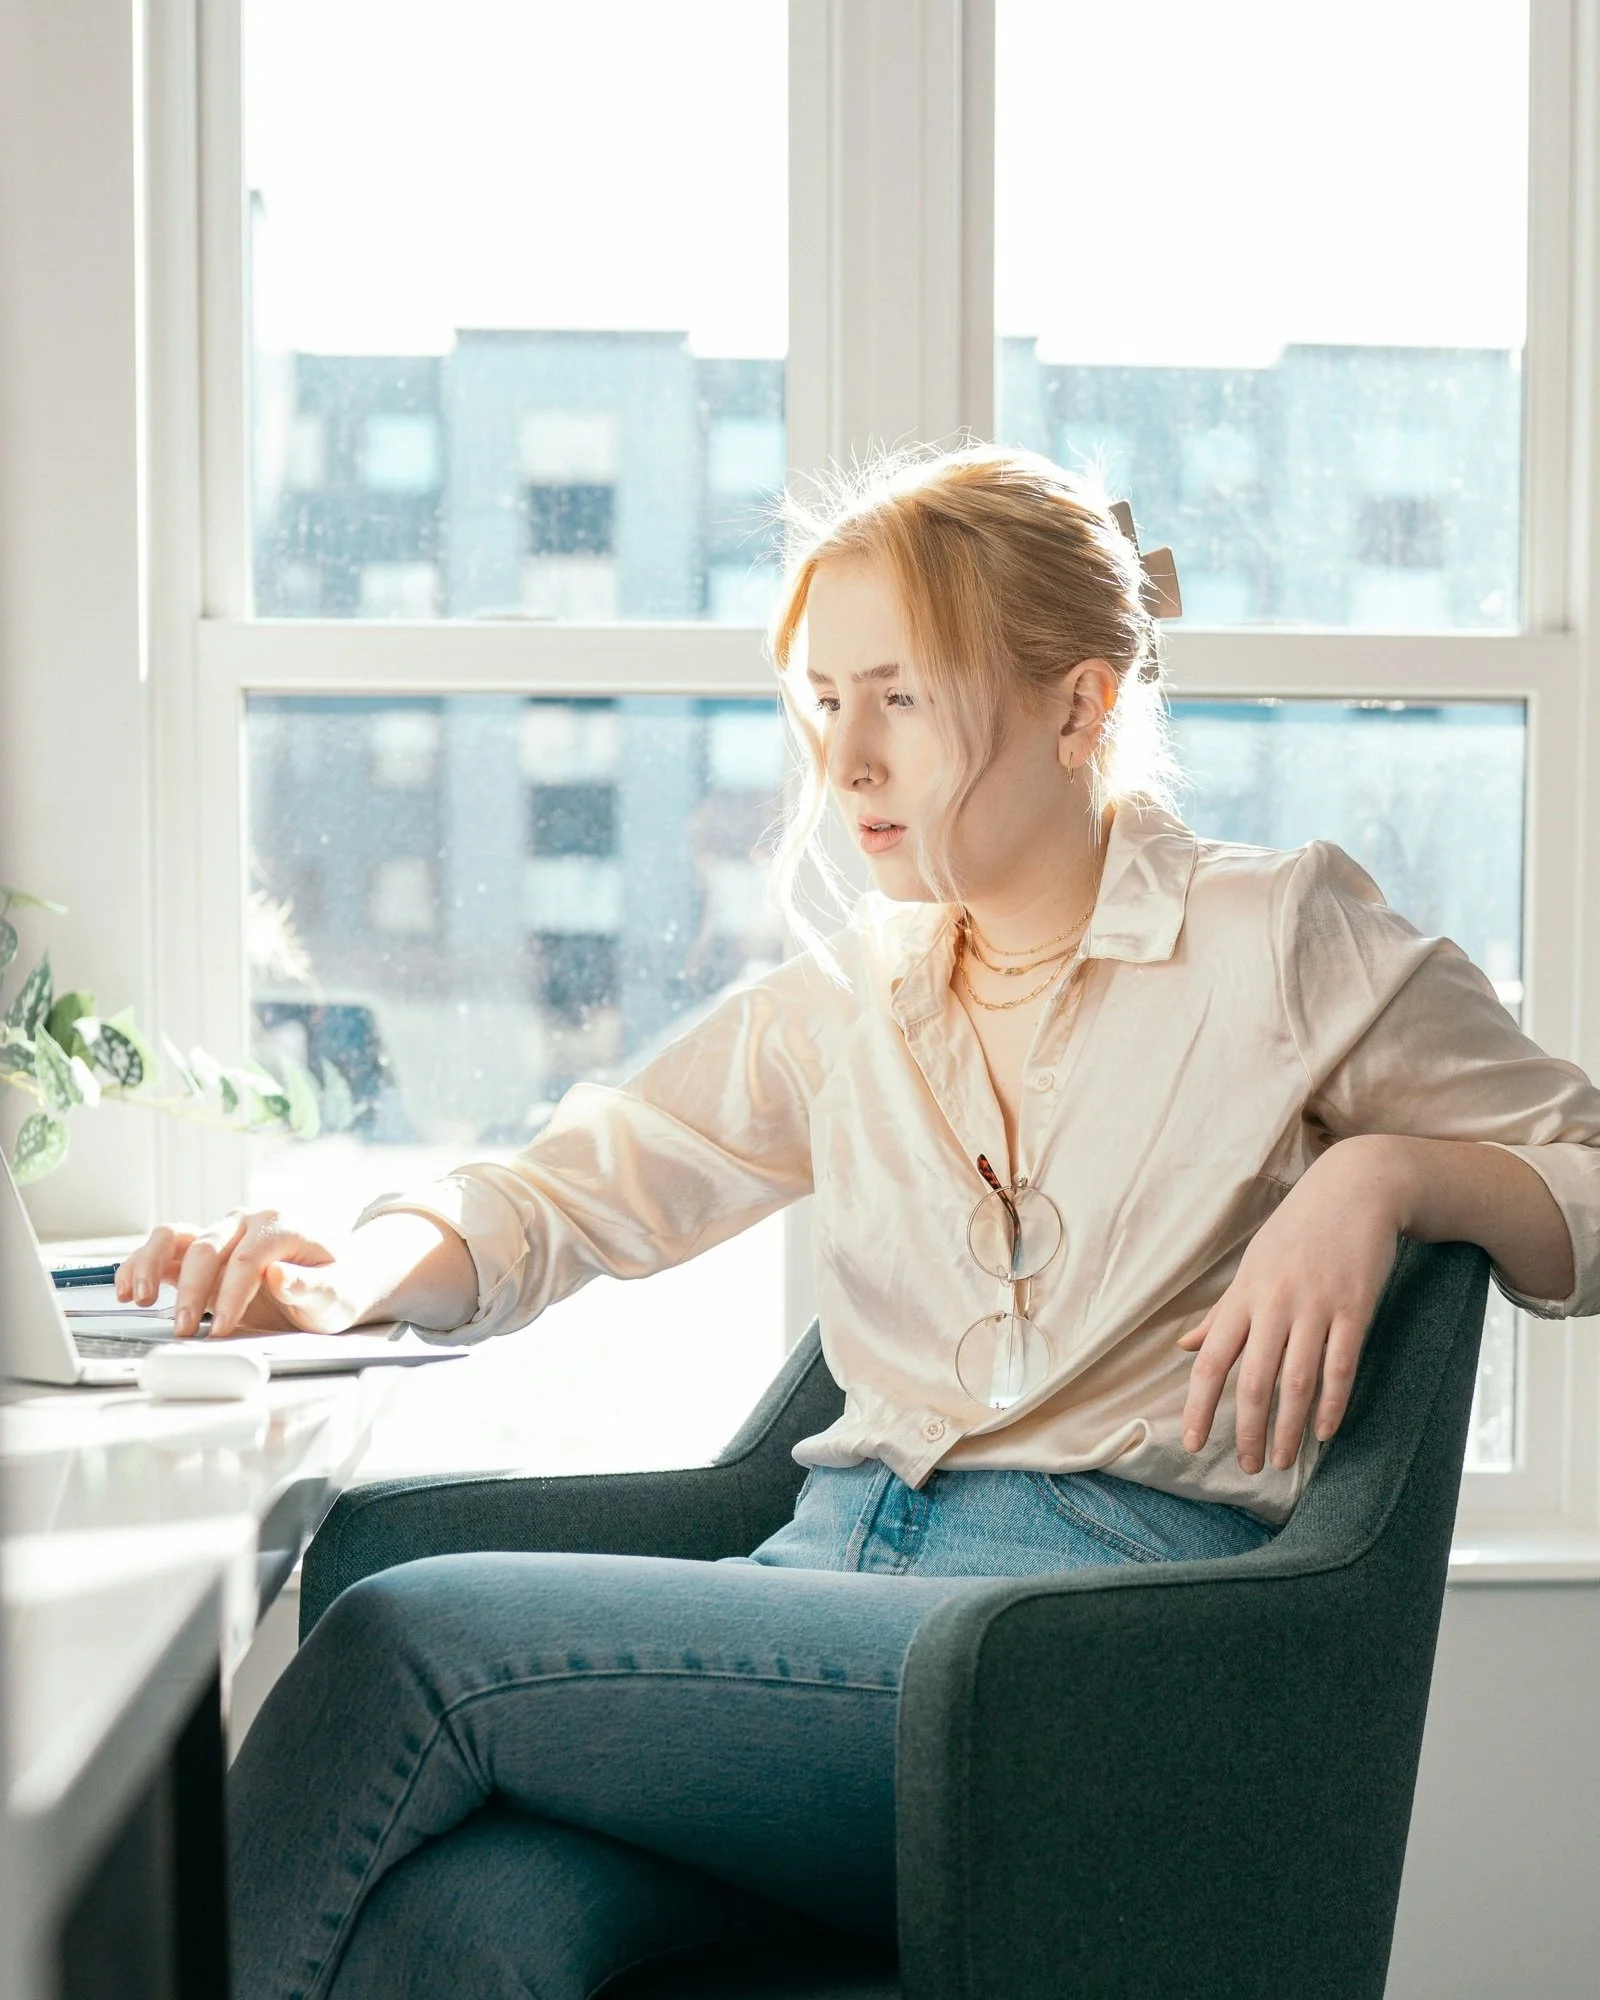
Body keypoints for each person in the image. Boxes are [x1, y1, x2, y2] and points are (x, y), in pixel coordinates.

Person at [118, 446, 1600, 2000]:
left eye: (898, 696)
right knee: (471, 1920)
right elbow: (571, 1189)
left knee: (403, 1636)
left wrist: (1390, 1178)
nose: (848, 761)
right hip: (820, 1595)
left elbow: (1581, 1170)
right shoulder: (857, 995)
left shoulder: (1276, 939)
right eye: (826, 703)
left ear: (1079, 705)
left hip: (1075, 1665)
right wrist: (346, 1273)